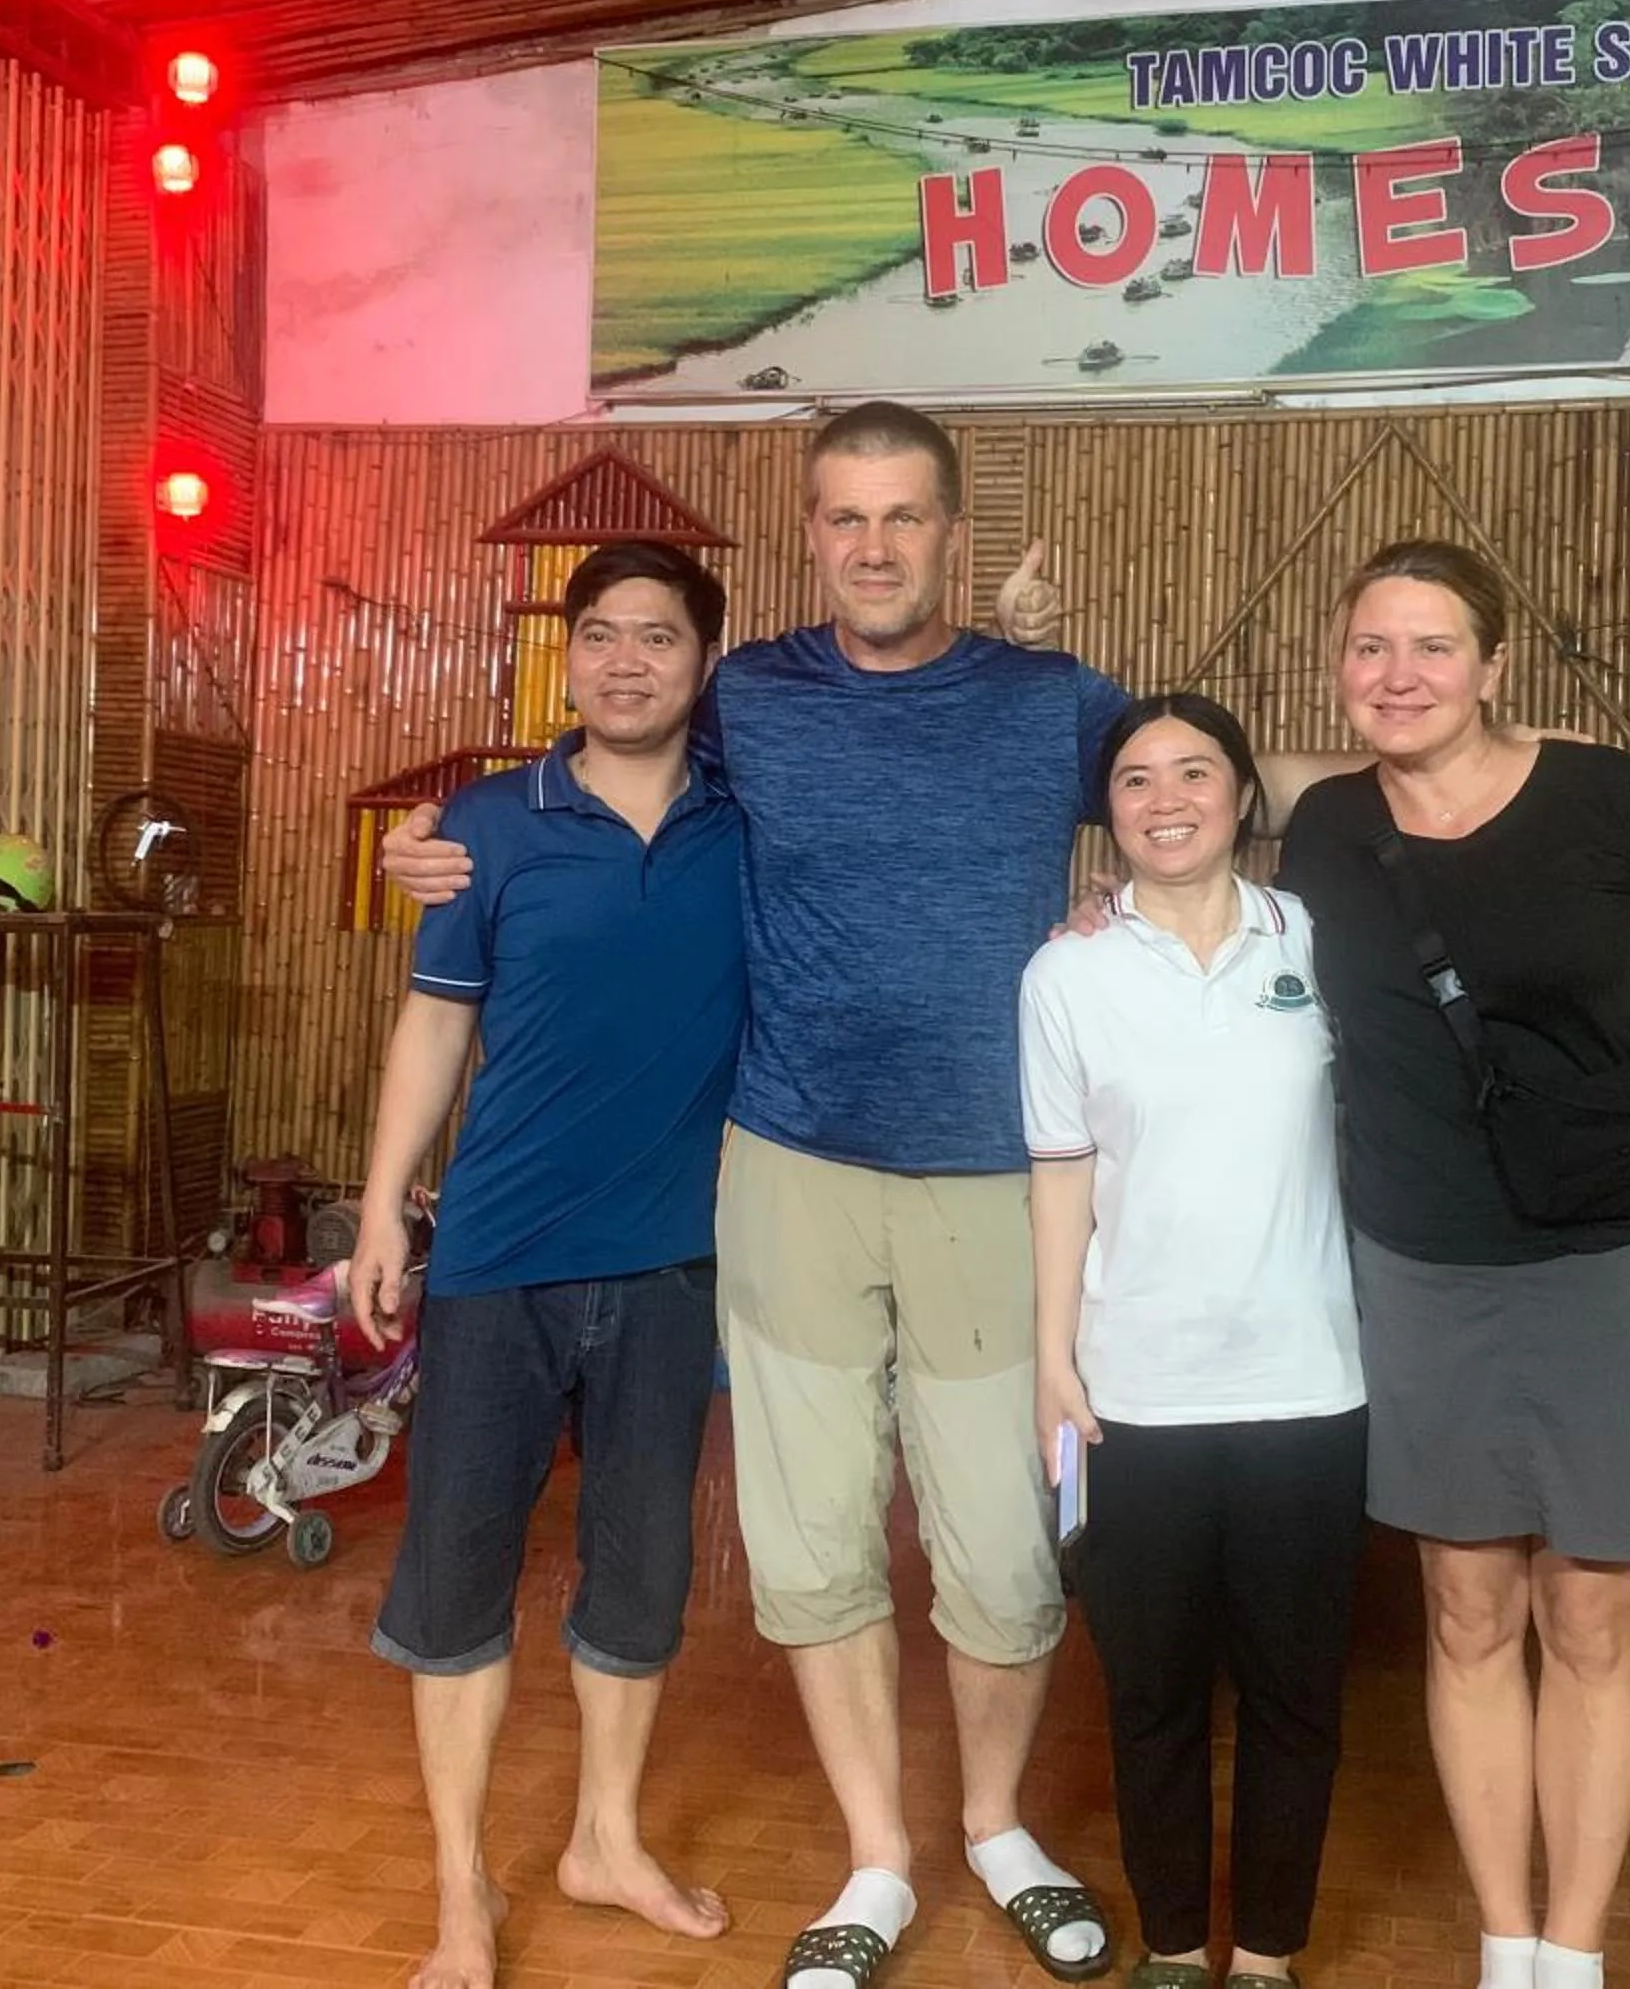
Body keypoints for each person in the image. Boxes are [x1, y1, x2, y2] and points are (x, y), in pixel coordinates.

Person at [380, 402, 1123, 1989]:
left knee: (1000, 1552)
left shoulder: (1052, 699)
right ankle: (877, 1854)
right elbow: (593, 750)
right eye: (844, 518)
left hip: (991, 1176)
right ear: (811, 539)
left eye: (903, 516)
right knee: (808, 1547)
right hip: (789, 1171)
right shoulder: (755, 699)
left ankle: (996, 1826)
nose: (872, 545)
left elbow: (1186, 800)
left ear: (953, 534)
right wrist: (439, 847)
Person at [1268, 539, 1630, 1989]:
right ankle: (1506, 1939)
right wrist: (1098, 913)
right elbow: (1171, 803)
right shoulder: (1320, 828)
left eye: (1433, 647)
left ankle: (1579, 1946)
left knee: (1594, 1606)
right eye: (1371, 646)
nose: (1400, 674)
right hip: (1423, 1257)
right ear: (1337, 664)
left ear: (1495, 665)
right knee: (1465, 1604)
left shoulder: (1611, 799)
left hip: (1615, 1247)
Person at [346, 541, 746, 1989]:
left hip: (672, 1263)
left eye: (657, 634)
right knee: (459, 1571)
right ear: (563, 657)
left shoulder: (747, 817)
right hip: (502, 1254)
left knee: (639, 1574)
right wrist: (384, 1205)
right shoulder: (488, 823)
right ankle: (461, 1889)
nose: (625, 659)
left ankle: (607, 1840)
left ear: (707, 660)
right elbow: (436, 1022)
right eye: (598, 635)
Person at [1020, 693, 1367, 1989]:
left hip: (1308, 1382)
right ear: (1104, 813)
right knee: (1152, 1689)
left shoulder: (1318, 940)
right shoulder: (1067, 969)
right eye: (1136, 779)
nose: (1167, 798)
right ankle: (1174, 1944)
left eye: (1196, 771)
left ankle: (1267, 1950)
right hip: (1136, 1392)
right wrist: (1055, 1354)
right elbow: (1060, 1176)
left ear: (1242, 797)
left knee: (1293, 1693)